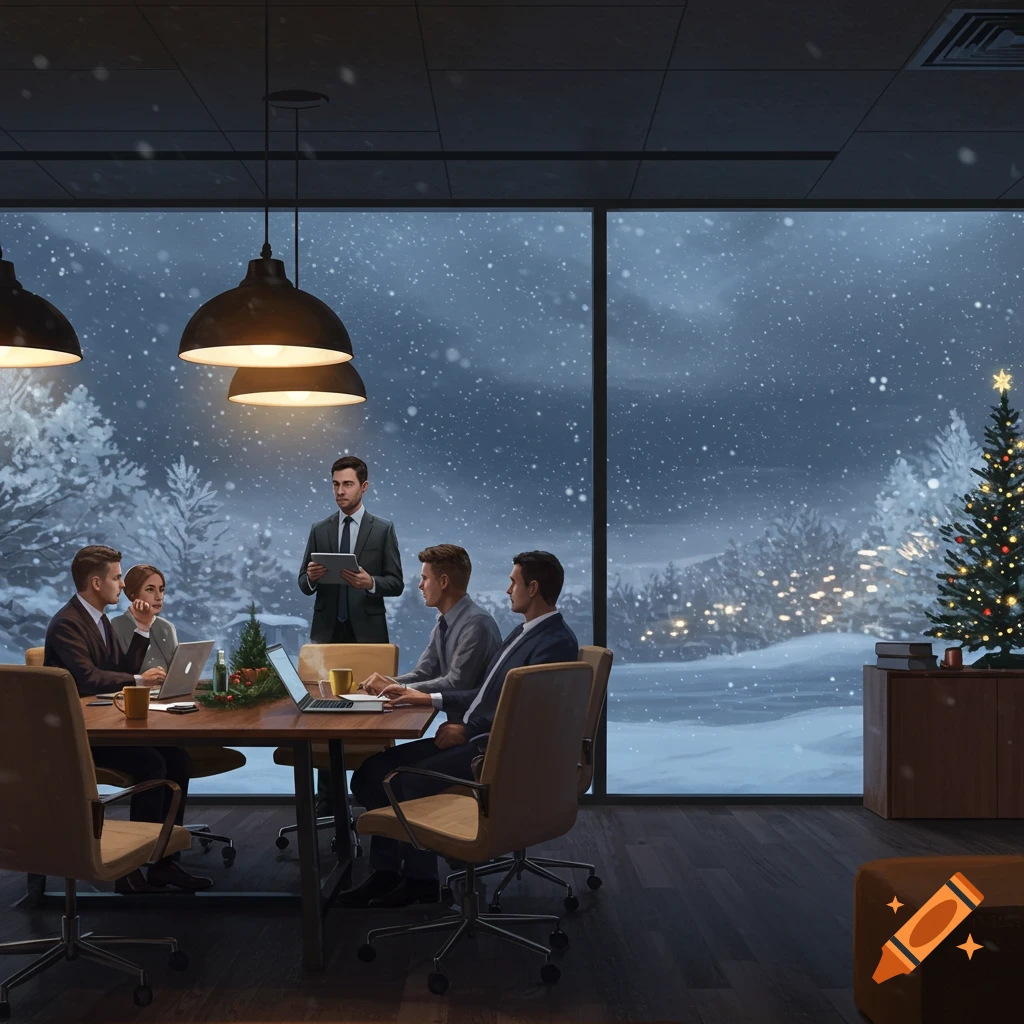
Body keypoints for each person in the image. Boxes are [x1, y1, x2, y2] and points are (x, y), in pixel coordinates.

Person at [340, 551, 578, 909]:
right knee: (373, 770)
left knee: (400, 781)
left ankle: (421, 883)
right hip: (472, 732)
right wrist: (436, 708)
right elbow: (486, 692)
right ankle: (389, 873)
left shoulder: (554, 642)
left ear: (533, 587)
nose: (507, 589)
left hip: (492, 751)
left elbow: (527, 716)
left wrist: (468, 732)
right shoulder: (527, 631)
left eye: (513, 582)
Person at [44, 545, 212, 893]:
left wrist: (142, 628)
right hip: (80, 737)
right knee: (150, 762)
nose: (122, 585)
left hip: (103, 726)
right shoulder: (67, 624)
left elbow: (119, 669)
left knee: (176, 756)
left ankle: (164, 861)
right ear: (95, 582)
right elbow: (88, 679)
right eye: (117, 578)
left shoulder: (98, 619)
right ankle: (132, 867)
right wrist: (138, 681)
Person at [359, 544, 501, 703]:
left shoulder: (476, 624)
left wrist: (396, 688)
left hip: (474, 721)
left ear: (443, 582)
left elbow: (456, 684)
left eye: (425, 578)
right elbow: (424, 673)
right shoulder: (444, 623)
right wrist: (389, 683)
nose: (420, 585)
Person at [298, 455, 404, 645]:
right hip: (325, 632)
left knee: (370, 676)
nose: (340, 491)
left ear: (364, 487)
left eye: (347, 484)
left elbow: (396, 584)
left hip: (369, 631)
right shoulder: (319, 529)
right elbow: (303, 583)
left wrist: (370, 582)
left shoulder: (383, 529)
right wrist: (311, 578)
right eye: (335, 484)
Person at [110, 564, 177, 671]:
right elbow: (119, 674)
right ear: (133, 594)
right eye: (150, 590)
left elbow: (175, 670)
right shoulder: (116, 625)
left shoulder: (167, 627)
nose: (159, 597)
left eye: (161, 590)